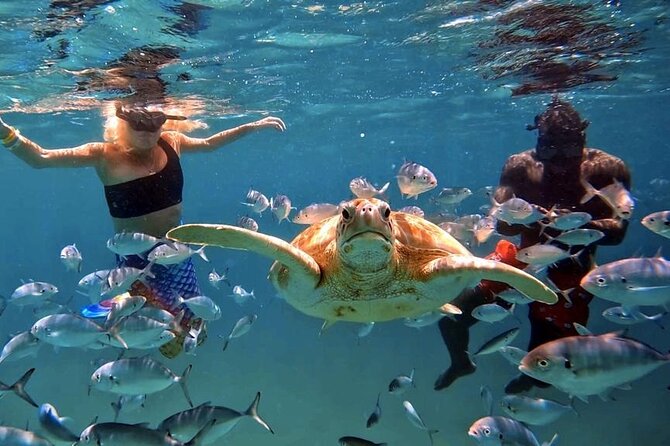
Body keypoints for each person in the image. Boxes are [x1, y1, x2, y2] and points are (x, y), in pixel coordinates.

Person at [0, 103, 286, 357]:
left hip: (177, 252)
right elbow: (40, 158)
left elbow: (210, 143)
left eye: (156, 121)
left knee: (193, 328)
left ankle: (115, 308)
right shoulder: (103, 155)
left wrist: (251, 125)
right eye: (139, 122)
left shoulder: (172, 142)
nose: (148, 131)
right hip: (135, 259)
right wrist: (5, 133)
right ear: (121, 121)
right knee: (160, 336)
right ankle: (114, 313)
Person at [434, 96, 631, 392]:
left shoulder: (607, 170)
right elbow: (501, 222)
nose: (560, 162)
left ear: (583, 138)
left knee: (545, 365)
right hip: (521, 258)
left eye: (568, 149)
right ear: (538, 141)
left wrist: (578, 224)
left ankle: (527, 390)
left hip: (572, 271)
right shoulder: (520, 166)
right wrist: (531, 218)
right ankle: (460, 363)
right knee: (451, 315)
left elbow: (618, 232)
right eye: (549, 149)